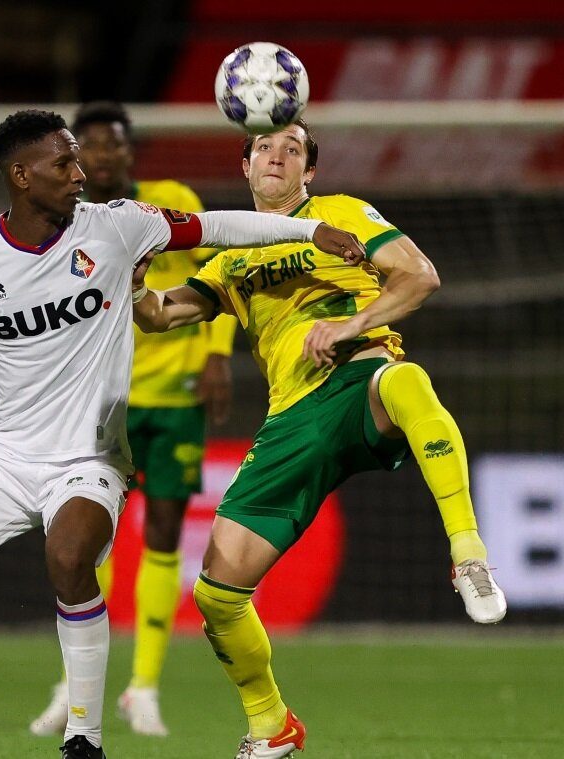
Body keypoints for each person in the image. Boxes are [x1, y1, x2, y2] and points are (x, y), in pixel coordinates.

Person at [0, 109, 368, 759]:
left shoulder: (118, 227)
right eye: (63, 163)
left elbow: (221, 227)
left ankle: (82, 740)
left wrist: (312, 228)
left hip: (90, 456)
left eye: (78, 159)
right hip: (3, 454)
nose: (78, 173)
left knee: (69, 558)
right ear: (20, 174)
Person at [130, 120, 508, 759]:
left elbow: (419, 277)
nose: (276, 155)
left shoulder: (341, 215)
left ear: (309, 173)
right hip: (290, 424)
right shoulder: (231, 259)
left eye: (293, 150)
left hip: (359, 379)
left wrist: (351, 324)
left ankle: (469, 554)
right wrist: (136, 279)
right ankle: (270, 726)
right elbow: (160, 314)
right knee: (217, 596)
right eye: (264, 148)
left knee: (407, 381)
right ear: (246, 165)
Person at [28, 101, 240, 738]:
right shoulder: (64, 222)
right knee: (85, 538)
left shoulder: (169, 201)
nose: (103, 155)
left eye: (114, 144)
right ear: (74, 157)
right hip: (98, 403)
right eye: (89, 145)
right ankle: (73, 685)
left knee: (166, 535)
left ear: (130, 152)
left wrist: (218, 354)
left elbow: (217, 268)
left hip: (173, 397)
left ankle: (142, 686)